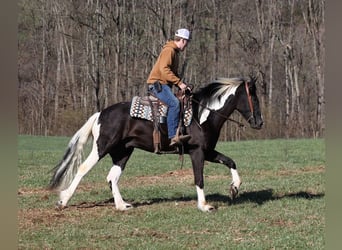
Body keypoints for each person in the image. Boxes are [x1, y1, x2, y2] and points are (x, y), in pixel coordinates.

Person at [147, 28, 192, 146]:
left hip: (164, 84)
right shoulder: (169, 50)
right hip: (158, 85)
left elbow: (172, 72)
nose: (186, 45)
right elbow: (164, 70)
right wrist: (179, 83)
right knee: (174, 104)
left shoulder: (174, 52)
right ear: (182, 40)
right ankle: (173, 136)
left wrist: (183, 84)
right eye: (187, 41)